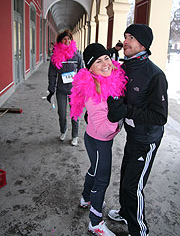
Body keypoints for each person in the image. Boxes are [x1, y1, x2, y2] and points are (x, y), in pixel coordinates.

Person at [107, 24, 168, 236]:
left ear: (143, 44)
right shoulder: (125, 67)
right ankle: (125, 212)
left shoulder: (155, 75)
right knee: (126, 178)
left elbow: (160, 117)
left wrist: (127, 110)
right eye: (125, 36)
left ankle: (139, 230)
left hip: (147, 139)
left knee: (134, 186)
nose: (125, 41)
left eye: (131, 37)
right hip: (133, 135)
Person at [69, 43, 127, 236]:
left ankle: (86, 198)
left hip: (94, 138)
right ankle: (95, 222)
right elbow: (104, 130)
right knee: (102, 179)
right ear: (89, 68)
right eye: (98, 61)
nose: (105, 64)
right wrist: (114, 118)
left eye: (107, 58)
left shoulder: (106, 81)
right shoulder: (93, 92)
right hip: (100, 140)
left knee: (94, 170)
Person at [47, 30, 84, 146]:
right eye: (64, 39)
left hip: (74, 90)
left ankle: (75, 135)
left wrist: (82, 86)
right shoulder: (55, 56)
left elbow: (82, 71)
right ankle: (63, 130)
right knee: (62, 113)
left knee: (75, 114)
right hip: (61, 90)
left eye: (69, 39)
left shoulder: (77, 55)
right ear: (60, 41)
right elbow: (52, 74)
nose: (67, 41)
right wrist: (51, 89)